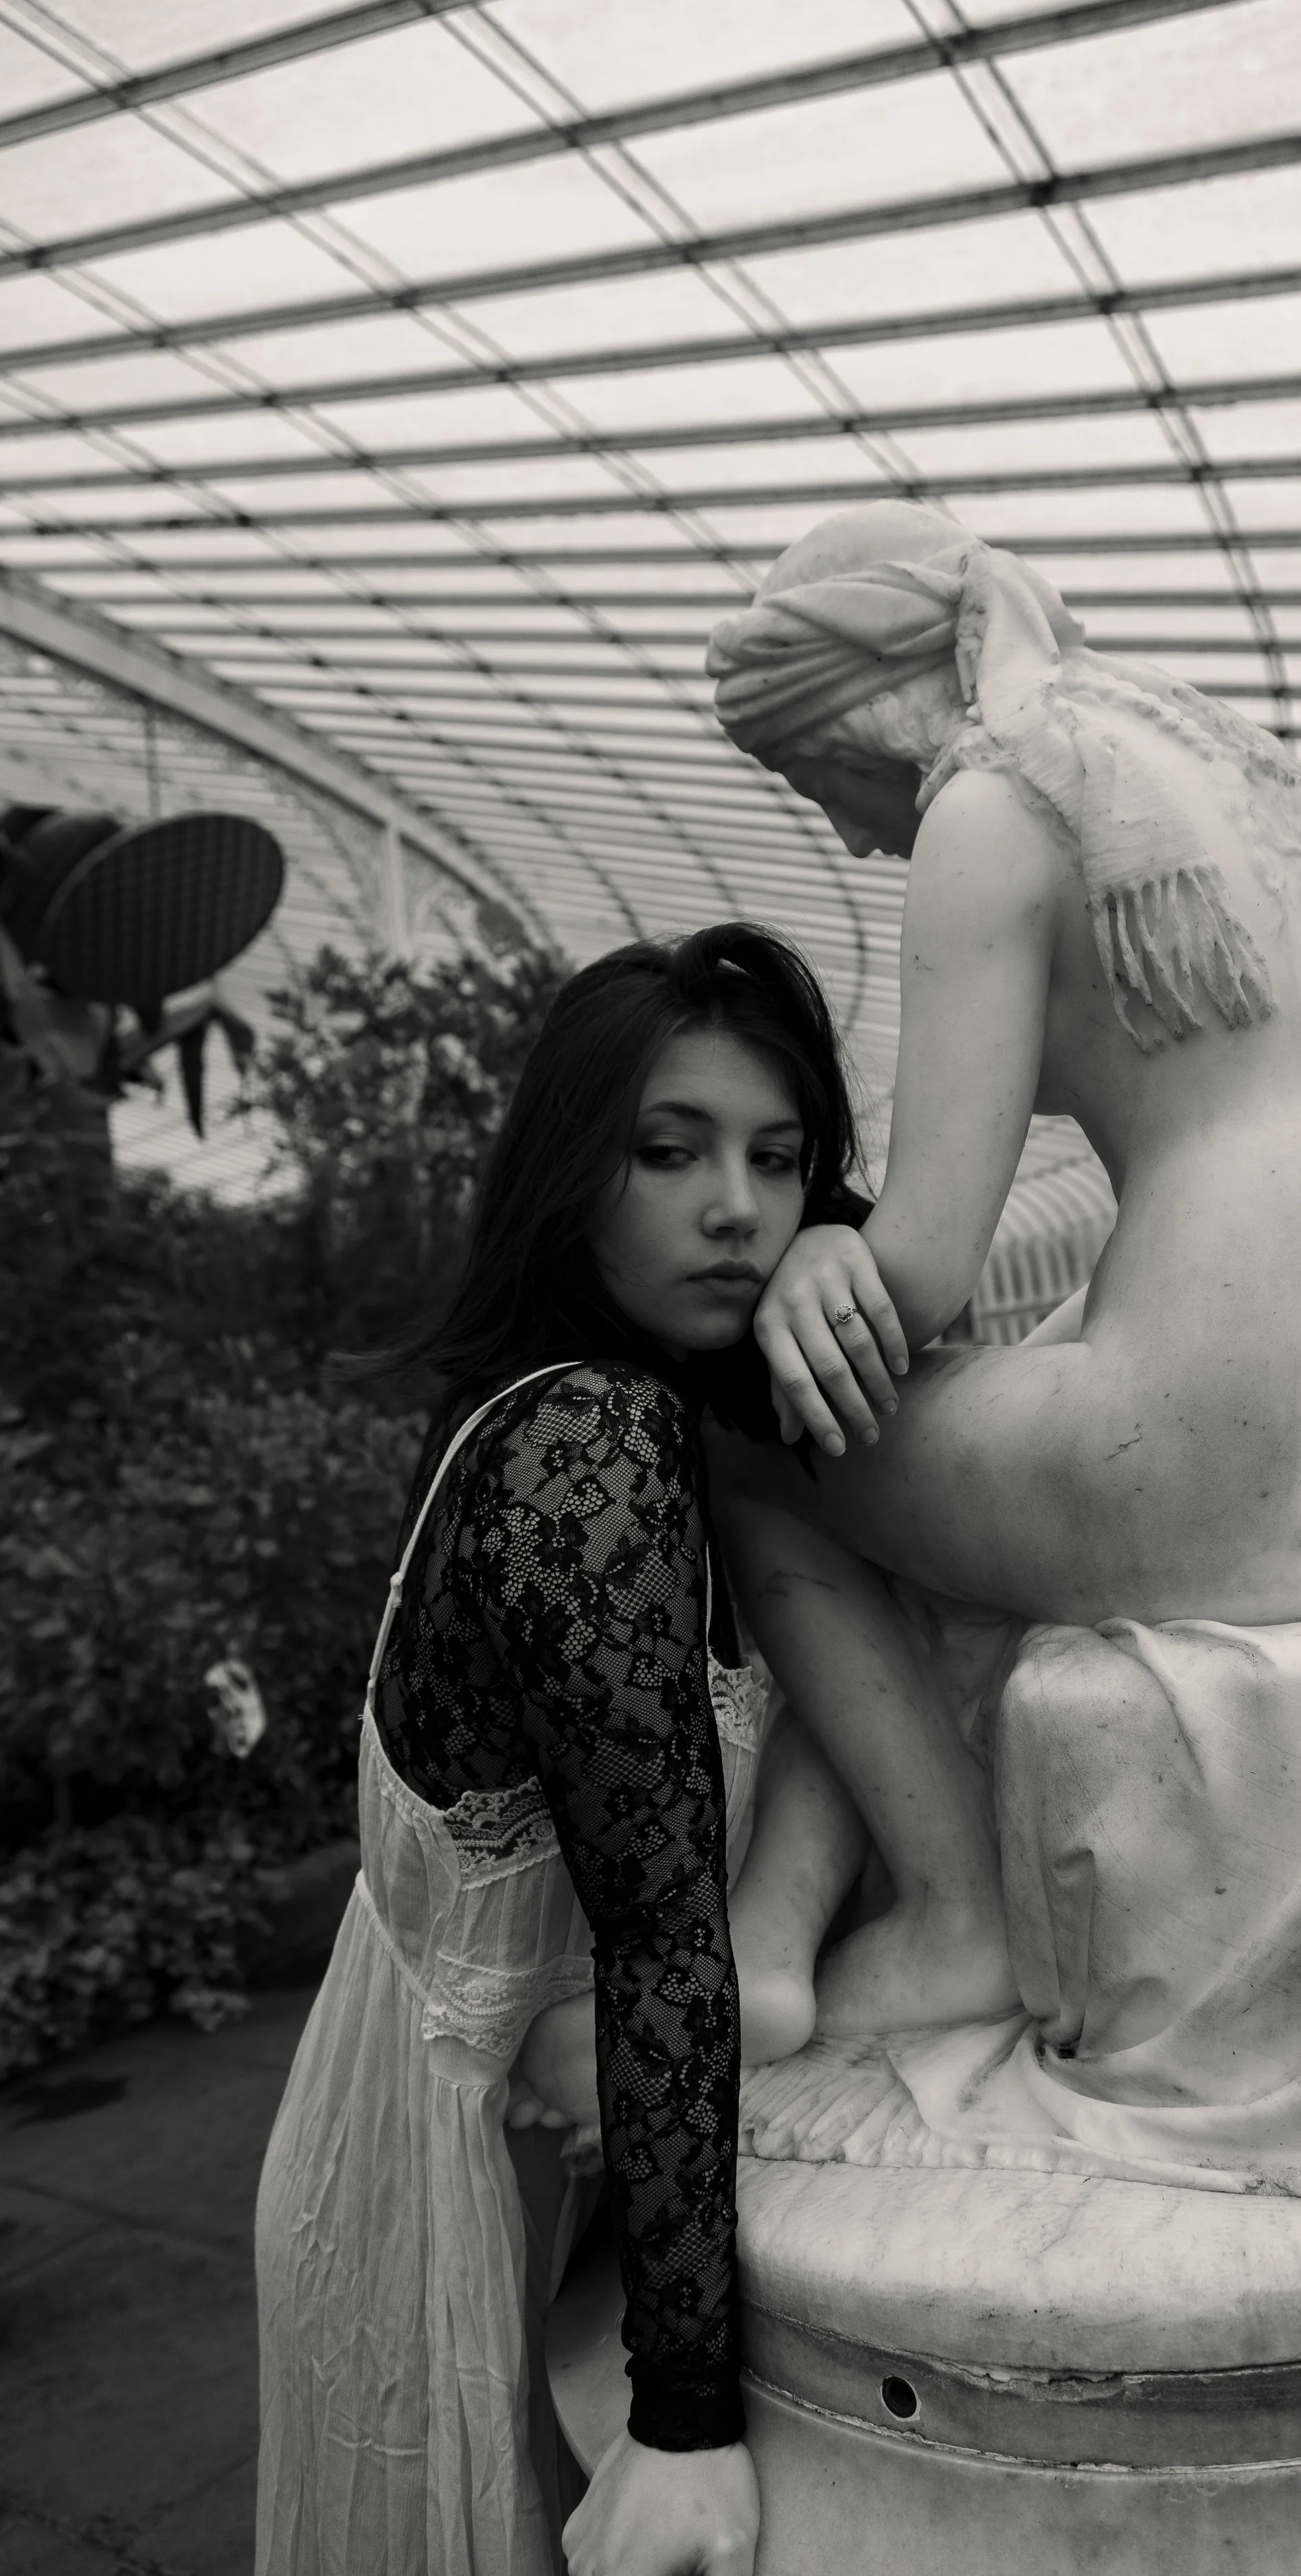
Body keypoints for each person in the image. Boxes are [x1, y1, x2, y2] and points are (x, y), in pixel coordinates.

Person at [699, 499, 1301, 2046]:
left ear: (863, 714)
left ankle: (946, 1917)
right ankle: (779, 1932)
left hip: (1208, 1458)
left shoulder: (989, 809)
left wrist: (821, 1254)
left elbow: (914, 1277)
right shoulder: (1200, 757)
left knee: (758, 1439)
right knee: (939, 1463)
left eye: (818, 783)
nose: (850, 835)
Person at [254, 922, 882, 2576]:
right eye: (668, 1152)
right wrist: (684, 2419)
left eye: (776, 1160)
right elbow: (662, 1944)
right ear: (569, 1171)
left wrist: (840, 1246)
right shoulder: (584, 1445)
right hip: (451, 2192)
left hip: (532, 2156)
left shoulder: (640, 1409)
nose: (735, 1210)